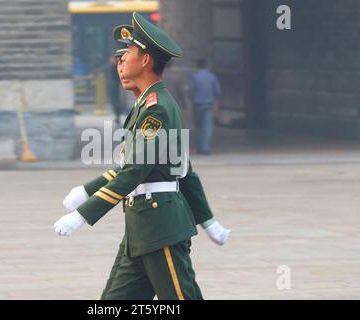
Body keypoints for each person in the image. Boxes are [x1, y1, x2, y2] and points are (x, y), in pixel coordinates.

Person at [54, 13, 230, 300]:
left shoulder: (157, 109)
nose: (120, 61)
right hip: (141, 229)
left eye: (127, 54)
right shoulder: (144, 105)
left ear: (146, 60)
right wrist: (87, 190)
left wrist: (82, 215)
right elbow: (176, 168)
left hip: (161, 228)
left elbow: (136, 171)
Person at [188, 58, 222, 155]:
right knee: (207, 127)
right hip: (209, 105)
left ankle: (199, 146)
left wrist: (192, 100)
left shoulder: (194, 77)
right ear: (207, 65)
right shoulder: (212, 77)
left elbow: (190, 91)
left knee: (198, 126)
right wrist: (217, 106)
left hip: (197, 104)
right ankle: (205, 148)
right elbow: (217, 93)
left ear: (197, 66)